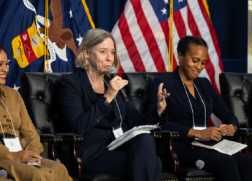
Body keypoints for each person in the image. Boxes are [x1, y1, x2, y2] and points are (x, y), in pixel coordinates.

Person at [57, 29, 169, 181]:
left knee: (145, 140)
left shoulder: (112, 83)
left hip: (115, 146)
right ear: (87, 53)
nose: (110, 58)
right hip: (87, 153)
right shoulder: (70, 84)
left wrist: (158, 110)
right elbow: (78, 127)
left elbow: (135, 121)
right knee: (154, 162)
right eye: (103, 52)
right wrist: (107, 97)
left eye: (112, 52)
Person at [148, 36, 252, 181]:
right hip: (179, 147)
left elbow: (228, 115)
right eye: (195, 61)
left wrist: (232, 126)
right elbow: (156, 123)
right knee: (227, 162)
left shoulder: (204, 84)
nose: (199, 67)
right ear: (180, 56)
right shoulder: (162, 83)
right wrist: (198, 134)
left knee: (251, 163)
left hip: (209, 145)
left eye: (203, 62)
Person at [0, 40, 72, 181]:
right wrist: (11, 155)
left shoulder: (13, 95)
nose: (6, 69)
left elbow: (29, 132)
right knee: (38, 175)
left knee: (59, 169)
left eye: (6, 64)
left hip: (20, 152)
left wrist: (30, 154)